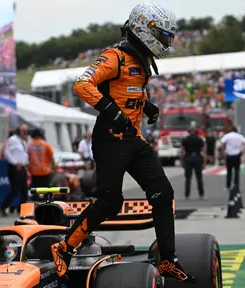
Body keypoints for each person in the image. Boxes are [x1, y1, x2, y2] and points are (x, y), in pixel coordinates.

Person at [50, 2, 195, 284]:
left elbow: (126, 93)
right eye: (164, 35)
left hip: (133, 141)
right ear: (146, 29)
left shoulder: (139, 60)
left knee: (163, 195)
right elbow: (82, 85)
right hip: (110, 141)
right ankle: (63, 248)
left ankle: (167, 260)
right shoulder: (114, 57)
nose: (167, 42)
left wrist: (147, 106)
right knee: (110, 203)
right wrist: (113, 112)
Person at [0, 124, 29, 216]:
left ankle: (22, 210)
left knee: (24, 190)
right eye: (24, 131)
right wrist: (15, 163)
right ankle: (3, 206)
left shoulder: (23, 142)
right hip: (15, 167)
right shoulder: (13, 140)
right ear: (19, 131)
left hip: (22, 167)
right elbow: (7, 152)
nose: (26, 133)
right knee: (15, 190)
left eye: (26, 131)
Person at [27, 128, 55, 199]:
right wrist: (53, 168)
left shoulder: (29, 145)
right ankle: (47, 203)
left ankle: (35, 204)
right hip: (45, 171)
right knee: (47, 190)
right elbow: (51, 158)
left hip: (33, 172)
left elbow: (26, 158)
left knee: (35, 190)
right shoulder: (46, 145)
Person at [180, 126, 206, 200]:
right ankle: (201, 194)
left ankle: (187, 194)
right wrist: (204, 162)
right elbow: (203, 151)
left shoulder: (185, 139)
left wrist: (182, 161)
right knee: (199, 178)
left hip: (188, 158)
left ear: (188, 131)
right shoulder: (199, 139)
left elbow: (181, 151)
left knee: (188, 178)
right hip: (197, 158)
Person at [220, 126, 245, 192]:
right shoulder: (239, 136)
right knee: (237, 171)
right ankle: (236, 186)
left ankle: (228, 186)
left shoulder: (227, 136)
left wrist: (223, 151)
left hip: (229, 155)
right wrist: (243, 152)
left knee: (229, 171)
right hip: (237, 155)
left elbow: (222, 143)